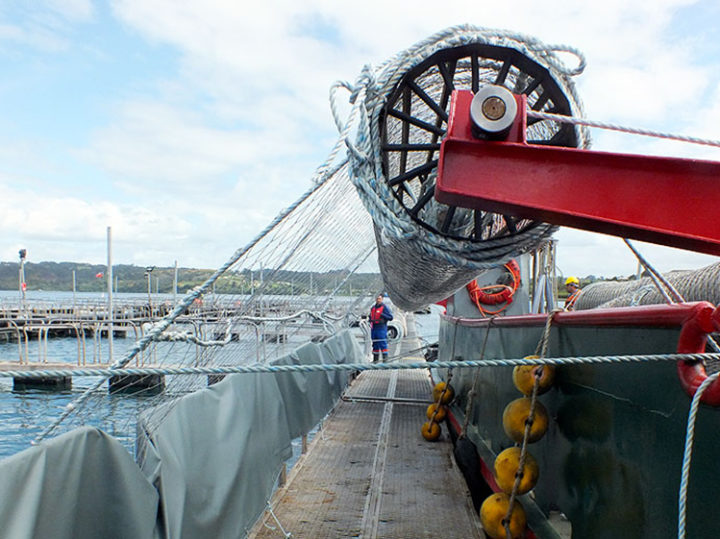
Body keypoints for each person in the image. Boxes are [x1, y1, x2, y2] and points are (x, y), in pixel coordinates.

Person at [369, 294, 393, 362]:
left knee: (383, 345)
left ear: (382, 299)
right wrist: (370, 319)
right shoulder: (373, 308)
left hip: (381, 328)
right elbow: (370, 316)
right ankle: (375, 361)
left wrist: (382, 314)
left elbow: (390, 317)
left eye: (379, 298)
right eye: (377, 298)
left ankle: (385, 362)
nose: (378, 300)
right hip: (374, 328)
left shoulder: (384, 307)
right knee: (375, 345)